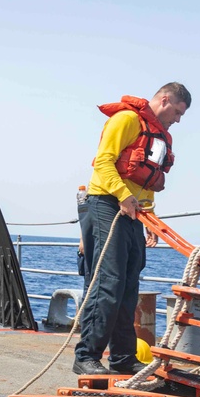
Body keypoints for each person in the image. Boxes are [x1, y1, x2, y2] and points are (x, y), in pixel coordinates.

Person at [73, 83, 191, 376]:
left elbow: (146, 182)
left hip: (132, 212)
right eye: (177, 112)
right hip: (106, 204)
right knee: (108, 282)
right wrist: (123, 197)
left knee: (128, 286)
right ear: (164, 100)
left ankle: (123, 357)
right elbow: (103, 162)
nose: (178, 119)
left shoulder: (161, 136)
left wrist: (148, 218)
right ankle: (86, 355)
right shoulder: (126, 120)